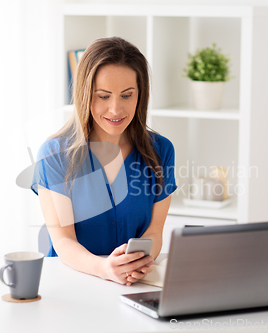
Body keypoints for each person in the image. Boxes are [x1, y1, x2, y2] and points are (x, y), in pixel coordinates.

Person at [31, 36, 177, 286]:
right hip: (74, 286)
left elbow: (154, 231)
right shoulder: (54, 155)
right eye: (103, 96)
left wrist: (139, 262)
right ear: (85, 94)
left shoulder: (160, 151)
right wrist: (104, 268)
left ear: (140, 95)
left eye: (127, 95)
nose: (116, 109)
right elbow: (63, 240)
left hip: (132, 286)